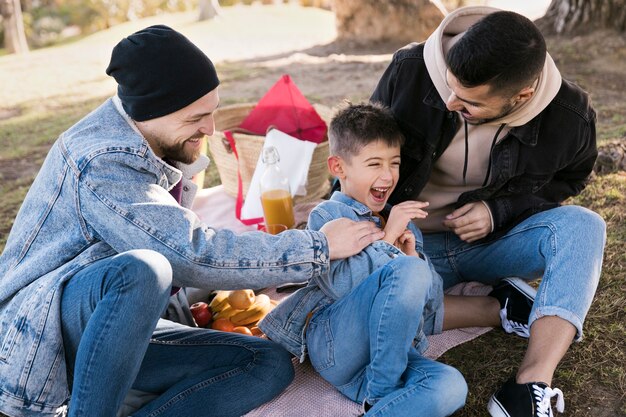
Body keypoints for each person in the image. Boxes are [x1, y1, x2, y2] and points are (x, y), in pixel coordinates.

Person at [0, 26, 385, 417]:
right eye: (197, 118)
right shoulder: (102, 160)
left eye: (213, 111)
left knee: (266, 362)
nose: (211, 129)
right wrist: (318, 246)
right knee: (144, 269)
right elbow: (188, 252)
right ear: (153, 112)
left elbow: (183, 229)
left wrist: (187, 153)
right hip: (39, 343)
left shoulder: (145, 132)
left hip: (115, 332)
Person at [370, 6, 606, 417]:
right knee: (373, 320)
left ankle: (529, 385)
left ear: (521, 97)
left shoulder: (570, 116)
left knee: (585, 226)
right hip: (408, 241)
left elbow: (569, 180)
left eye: (469, 102)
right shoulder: (410, 68)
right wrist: (381, 224)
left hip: (491, 243)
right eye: (450, 87)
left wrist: (499, 211)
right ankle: (500, 307)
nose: (449, 101)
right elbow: (365, 149)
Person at [260, 102, 535, 417]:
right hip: (336, 346)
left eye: (394, 163)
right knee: (407, 270)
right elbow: (341, 287)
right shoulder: (329, 215)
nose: (388, 175)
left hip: (384, 359)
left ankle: (377, 404)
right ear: (338, 168)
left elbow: (430, 306)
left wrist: (411, 254)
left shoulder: (403, 224)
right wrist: (389, 242)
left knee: (450, 386)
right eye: (374, 163)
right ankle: (382, 394)